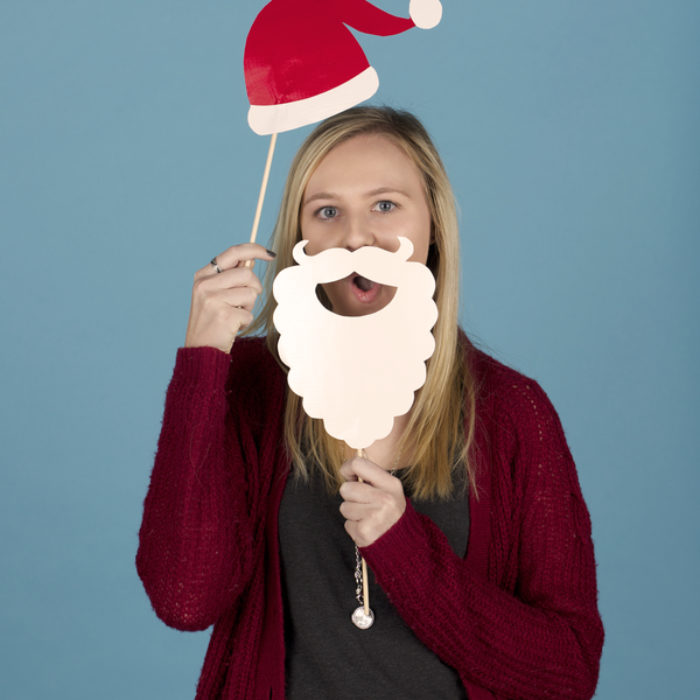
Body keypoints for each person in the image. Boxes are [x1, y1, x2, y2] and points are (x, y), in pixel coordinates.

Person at [136, 107, 604, 699]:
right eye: (327, 212)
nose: (356, 238)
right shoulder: (250, 384)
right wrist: (202, 364)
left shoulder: (513, 413)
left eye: (385, 205)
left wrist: (406, 551)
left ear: (433, 221)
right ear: (300, 237)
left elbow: (567, 672)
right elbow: (183, 599)